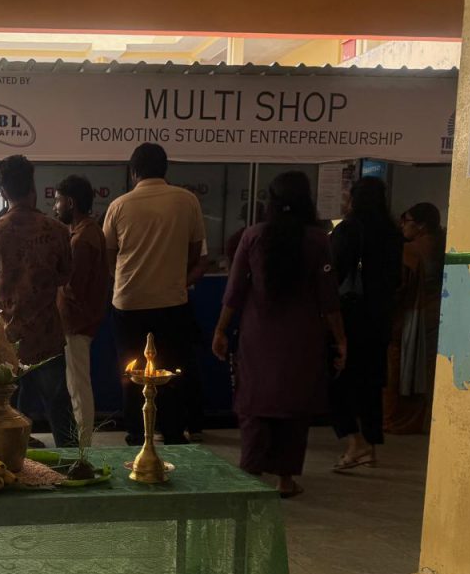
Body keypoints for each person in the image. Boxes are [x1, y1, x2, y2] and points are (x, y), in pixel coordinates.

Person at [213, 171, 347, 497]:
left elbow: (235, 291)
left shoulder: (253, 236)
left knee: (254, 403)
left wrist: (220, 330)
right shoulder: (318, 240)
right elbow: (329, 299)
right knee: (294, 407)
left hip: (257, 336)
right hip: (302, 337)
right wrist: (341, 339)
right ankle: (285, 480)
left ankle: (250, 472)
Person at [103, 142, 204, 445]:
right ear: (165, 169)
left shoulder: (119, 205)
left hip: (129, 302)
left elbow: (108, 255)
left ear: (134, 172)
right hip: (172, 302)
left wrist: (123, 279)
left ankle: (136, 433)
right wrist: (175, 280)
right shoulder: (187, 200)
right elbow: (195, 253)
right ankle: (172, 432)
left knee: (132, 370)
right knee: (171, 369)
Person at [0, 154, 76, 447]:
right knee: (60, 410)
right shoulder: (56, 231)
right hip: (46, 337)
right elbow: (64, 276)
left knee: (5, 412)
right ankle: (73, 465)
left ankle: (7, 465)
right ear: (32, 187)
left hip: (5, 340)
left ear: (3, 192)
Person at [329, 177, 403, 470]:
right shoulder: (393, 233)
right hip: (380, 318)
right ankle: (370, 445)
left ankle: (354, 442)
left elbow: (332, 272)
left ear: (355, 199)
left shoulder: (348, 230)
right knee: (371, 384)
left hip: (351, 317)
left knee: (337, 381)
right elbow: (396, 279)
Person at [54, 174, 108, 446]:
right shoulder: (87, 232)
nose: (55, 207)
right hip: (77, 322)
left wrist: (51, 278)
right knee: (75, 384)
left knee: (78, 386)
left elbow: (74, 287)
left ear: (71, 203)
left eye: (58, 201)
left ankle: (83, 446)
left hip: (76, 324)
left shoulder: (82, 239)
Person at [383, 202, 446, 434]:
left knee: (399, 369)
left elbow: (399, 287)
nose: (403, 226)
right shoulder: (444, 246)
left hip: (410, 317)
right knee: (427, 372)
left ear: (421, 225)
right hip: (437, 315)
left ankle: (395, 420)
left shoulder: (410, 251)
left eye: (406, 221)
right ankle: (423, 421)